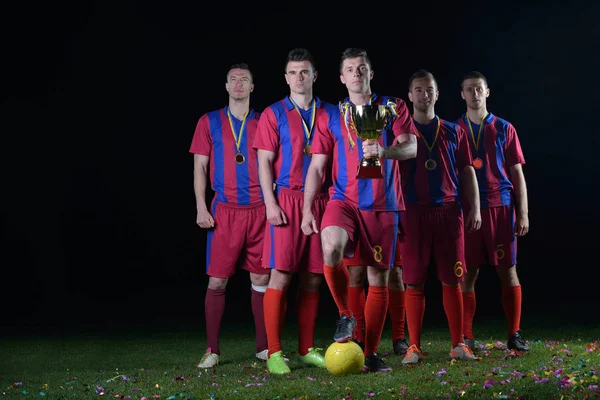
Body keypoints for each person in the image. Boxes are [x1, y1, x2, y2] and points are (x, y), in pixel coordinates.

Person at [302, 48, 418, 373]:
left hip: (384, 204)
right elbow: (317, 167)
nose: (356, 74)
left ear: (371, 73)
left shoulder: (393, 107)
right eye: (350, 69)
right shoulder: (330, 116)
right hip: (344, 200)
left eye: (362, 68)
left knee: (378, 276)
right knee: (330, 249)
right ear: (342, 77)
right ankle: (345, 313)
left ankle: (370, 354)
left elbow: (412, 146)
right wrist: (308, 208)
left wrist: (385, 150)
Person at [253, 48, 338, 375]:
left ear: (315, 76)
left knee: (314, 278)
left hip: (321, 200)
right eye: (292, 73)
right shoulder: (273, 113)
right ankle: (275, 352)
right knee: (281, 275)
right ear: (285, 77)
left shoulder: (330, 112)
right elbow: (262, 161)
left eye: (304, 72)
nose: (298, 78)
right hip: (286, 198)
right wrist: (270, 203)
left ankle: (305, 349)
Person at [189, 63, 269, 368]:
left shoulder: (264, 121)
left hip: (260, 210)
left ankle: (264, 347)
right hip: (224, 212)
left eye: (244, 80)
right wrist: (199, 206)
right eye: (233, 79)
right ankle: (212, 350)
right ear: (226, 86)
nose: (238, 83)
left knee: (261, 278)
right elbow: (199, 167)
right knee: (217, 282)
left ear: (252, 87)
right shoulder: (208, 121)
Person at [399, 69, 481, 364]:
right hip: (413, 212)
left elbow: (467, 170)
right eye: (418, 90)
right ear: (410, 96)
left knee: (453, 279)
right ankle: (414, 347)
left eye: (429, 89)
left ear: (437, 93)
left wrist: (475, 208)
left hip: (449, 212)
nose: (424, 95)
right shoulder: (401, 134)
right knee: (414, 281)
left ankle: (459, 344)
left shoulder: (452, 130)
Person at [456, 71, 530, 352]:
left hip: (500, 206)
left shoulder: (504, 128)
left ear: (487, 92)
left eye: (479, 89)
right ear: (462, 94)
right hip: (466, 210)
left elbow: (517, 173)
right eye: (469, 89)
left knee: (507, 270)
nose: (474, 94)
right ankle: (466, 334)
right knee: (467, 272)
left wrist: (522, 213)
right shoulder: (453, 129)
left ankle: (514, 333)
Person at [344, 242, 408, 356]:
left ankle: (399, 338)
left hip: (385, 226)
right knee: (356, 273)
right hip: (360, 226)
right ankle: (359, 338)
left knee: (395, 274)